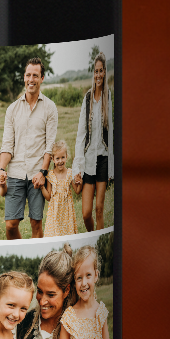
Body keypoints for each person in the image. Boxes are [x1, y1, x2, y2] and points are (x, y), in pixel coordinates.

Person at [0, 57, 58, 240]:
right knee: (10, 225)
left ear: (42, 78)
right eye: (28, 75)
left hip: (37, 174)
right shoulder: (12, 110)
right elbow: (7, 144)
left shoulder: (50, 108)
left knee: (35, 223)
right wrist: (1, 169)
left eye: (35, 75)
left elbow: (50, 147)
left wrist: (43, 172)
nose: (31, 79)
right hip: (15, 172)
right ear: (24, 77)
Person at [73, 50, 114, 233]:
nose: (98, 75)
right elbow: (81, 133)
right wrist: (78, 165)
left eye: (101, 71)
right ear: (93, 73)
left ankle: (97, 244)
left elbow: (110, 131)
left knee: (99, 209)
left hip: (103, 158)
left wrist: (112, 165)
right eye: (95, 71)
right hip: (89, 160)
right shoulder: (88, 98)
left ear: (105, 72)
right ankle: (91, 237)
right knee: (86, 213)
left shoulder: (108, 96)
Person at [41, 140, 78, 239]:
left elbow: (77, 191)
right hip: (54, 213)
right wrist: (41, 187)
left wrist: (80, 181)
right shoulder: (50, 175)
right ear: (53, 159)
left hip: (67, 212)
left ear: (66, 156)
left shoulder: (70, 173)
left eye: (62, 157)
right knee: (54, 237)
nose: (60, 161)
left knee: (67, 237)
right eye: (57, 158)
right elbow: (48, 197)